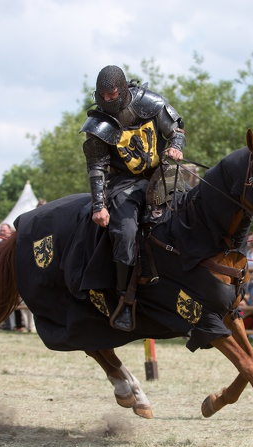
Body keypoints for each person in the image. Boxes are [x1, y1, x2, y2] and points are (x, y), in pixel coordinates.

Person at [80, 64, 186, 331]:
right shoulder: (97, 125)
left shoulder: (151, 103)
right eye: (102, 95)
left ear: (124, 89)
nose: (107, 100)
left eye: (112, 94)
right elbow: (96, 169)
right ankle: (124, 300)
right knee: (125, 232)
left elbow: (176, 129)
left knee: (191, 215)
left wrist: (174, 146)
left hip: (160, 175)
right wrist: (99, 206)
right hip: (123, 184)